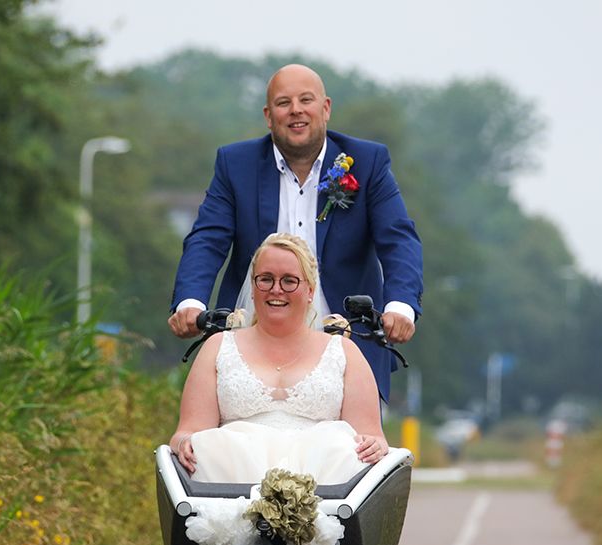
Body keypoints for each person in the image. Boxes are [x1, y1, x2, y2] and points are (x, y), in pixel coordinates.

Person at [168, 63, 423, 401]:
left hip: (347, 340)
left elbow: (398, 239)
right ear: (268, 115)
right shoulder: (235, 164)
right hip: (251, 338)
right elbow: (207, 238)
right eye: (283, 102)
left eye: (306, 100)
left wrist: (400, 307)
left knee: (358, 450)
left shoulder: (367, 161)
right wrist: (190, 301)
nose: (296, 111)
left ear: (326, 108)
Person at [169, 233, 389, 485]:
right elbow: (187, 431)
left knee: (339, 444)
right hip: (232, 482)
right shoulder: (217, 348)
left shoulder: (344, 352)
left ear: (310, 290)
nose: (276, 289)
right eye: (265, 279)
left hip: (323, 488)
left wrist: (375, 444)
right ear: (252, 287)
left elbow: (370, 436)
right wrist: (185, 442)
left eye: (289, 281)